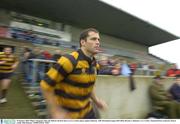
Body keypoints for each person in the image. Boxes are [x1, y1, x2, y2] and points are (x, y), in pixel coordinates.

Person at [40, 28, 107, 119]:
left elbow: (89, 87)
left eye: (98, 39)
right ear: (83, 42)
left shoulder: (95, 65)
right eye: (93, 39)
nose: (98, 42)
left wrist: (96, 100)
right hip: (67, 115)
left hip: (87, 112)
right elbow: (45, 85)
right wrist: (55, 111)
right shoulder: (69, 60)